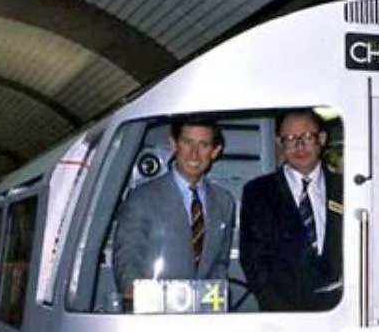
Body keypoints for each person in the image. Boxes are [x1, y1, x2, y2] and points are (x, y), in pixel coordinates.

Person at [113, 116, 235, 303]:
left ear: (215, 151)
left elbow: (220, 264)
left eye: (204, 145)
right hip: (154, 315)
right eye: (187, 142)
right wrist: (138, 299)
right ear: (174, 144)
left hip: (204, 317)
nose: (194, 154)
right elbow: (128, 259)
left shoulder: (224, 202)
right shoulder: (142, 197)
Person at [239, 108, 343, 312]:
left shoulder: (346, 188)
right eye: (290, 138)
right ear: (280, 144)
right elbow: (253, 260)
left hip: (341, 310)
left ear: (322, 138)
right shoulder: (258, 192)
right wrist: (278, 311)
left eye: (307, 136)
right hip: (283, 313)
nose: (299, 145)